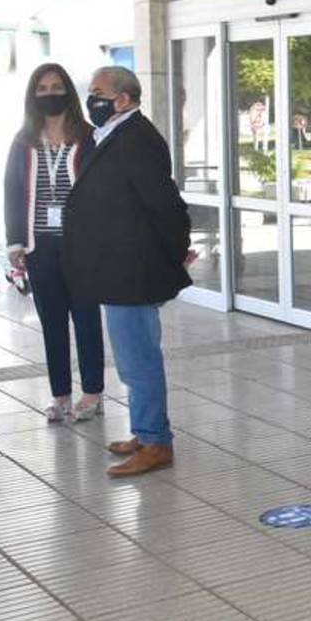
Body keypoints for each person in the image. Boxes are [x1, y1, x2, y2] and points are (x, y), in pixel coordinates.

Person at [61, 66, 193, 478]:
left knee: (139, 361)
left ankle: (155, 442)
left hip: (134, 272)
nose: (91, 99)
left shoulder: (137, 139)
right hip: (119, 268)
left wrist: (173, 255)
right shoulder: (115, 134)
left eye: (98, 92)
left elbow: (166, 204)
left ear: (123, 99)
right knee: (133, 359)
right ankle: (146, 430)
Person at [4, 64, 104, 422]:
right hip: (39, 245)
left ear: (67, 91)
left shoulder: (88, 136)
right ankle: (61, 395)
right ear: (34, 95)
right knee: (52, 322)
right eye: (42, 87)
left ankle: (92, 393)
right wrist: (15, 242)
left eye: (56, 86)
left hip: (82, 245)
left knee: (87, 319)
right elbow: (13, 191)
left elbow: (102, 191)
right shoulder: (23, 140)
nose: (49, 92)